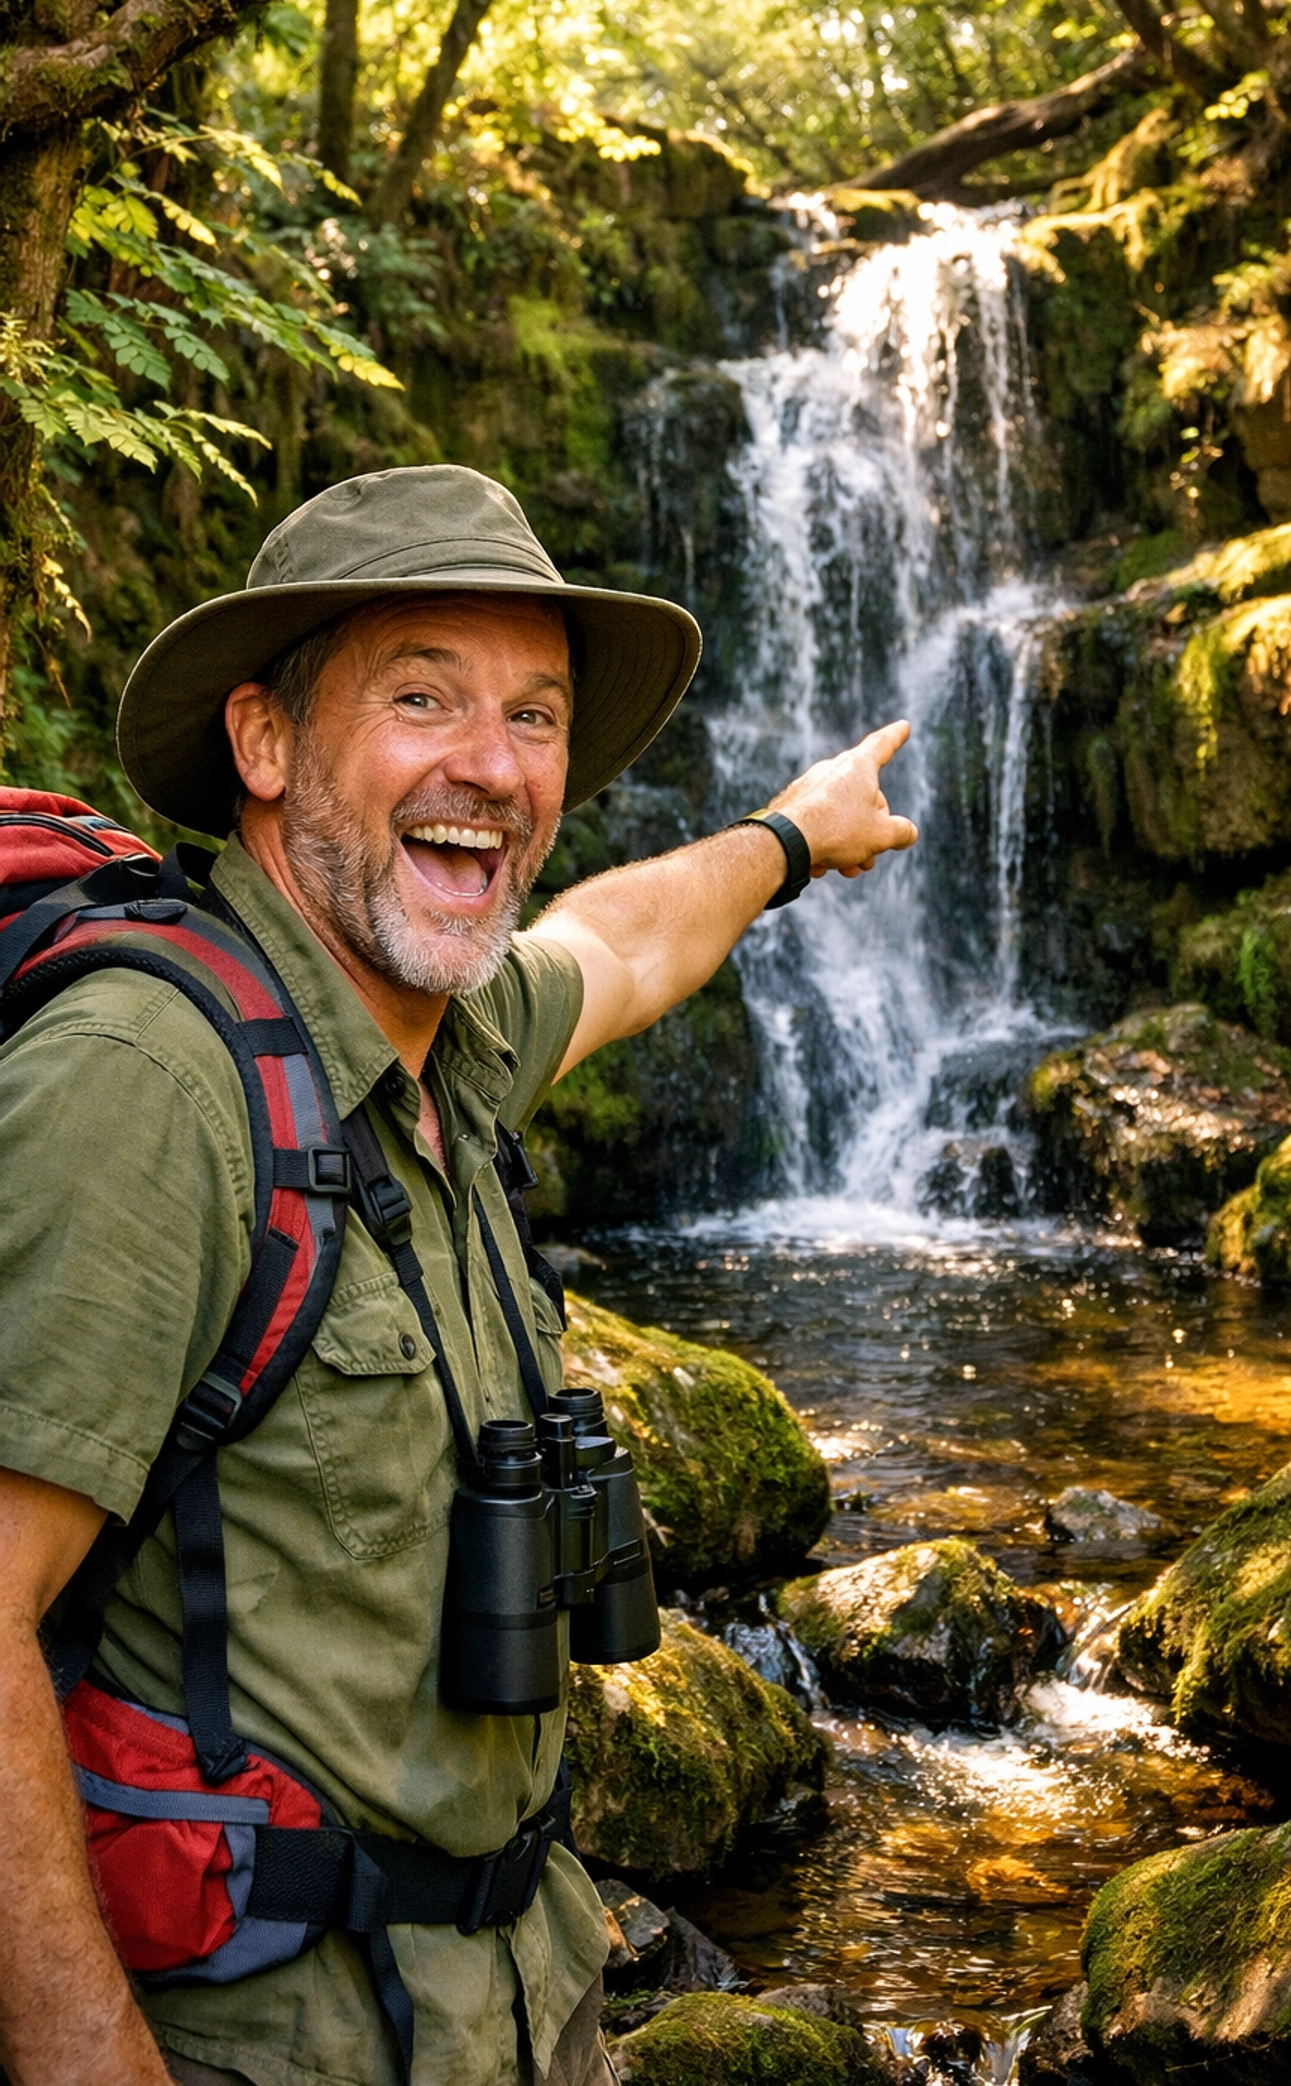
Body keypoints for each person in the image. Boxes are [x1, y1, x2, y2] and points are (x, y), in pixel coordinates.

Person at [0, 465, 916, 2086]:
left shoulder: (452, 1038)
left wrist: (793, 834)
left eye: (537, 717)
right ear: (265, 744)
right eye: (423, 696)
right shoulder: (153, 1082)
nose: (491, 767)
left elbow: (628, 942)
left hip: (512, 1999)